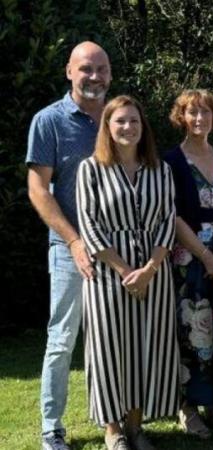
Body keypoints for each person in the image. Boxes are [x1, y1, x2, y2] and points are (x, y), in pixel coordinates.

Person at [76, 95, 179, 450]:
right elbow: (89, 225)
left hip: (154, 271)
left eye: (134, 121)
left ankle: (137, 426)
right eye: (120, 121)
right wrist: (124, 270)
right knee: (109, 348)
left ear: (143, 127)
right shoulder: (90, 169)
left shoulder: (159, 170)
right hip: (107, 274)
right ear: (107, 126)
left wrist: (149, 269)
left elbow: (168, 221)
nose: (128, 127)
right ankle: (113, 429)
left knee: (148, 346)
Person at [26, 41, 110, 450]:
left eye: (101, 69)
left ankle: (115, 423)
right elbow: (39, 190)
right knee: (62, 340)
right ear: (68, 72)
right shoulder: (49, 121)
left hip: (116, 247)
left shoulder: (119, 117)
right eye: (85, 69)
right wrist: (74, 240)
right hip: (68, 248)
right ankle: (51, 427)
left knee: (112, 337)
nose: (94, 77)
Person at [163, 89, 213, 438]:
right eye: (192, 112)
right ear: (181, 116)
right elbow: (173, 216)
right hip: (188, 259)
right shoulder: (171, 161)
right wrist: (205, 255)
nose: (199, 119)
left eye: (205, 112)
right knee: (191, 334)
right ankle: (187, 407)